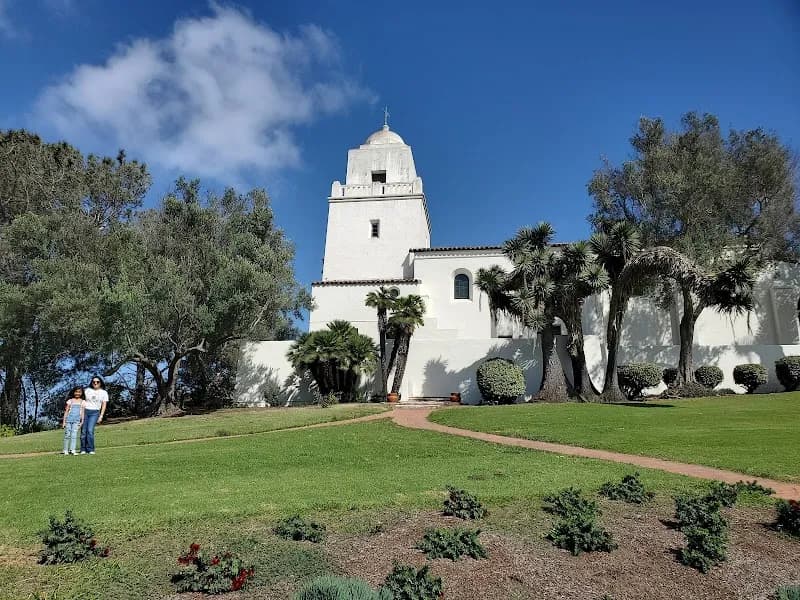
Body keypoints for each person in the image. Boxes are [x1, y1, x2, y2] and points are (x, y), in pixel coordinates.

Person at [81, 375, 108, 455]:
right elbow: (82, 400)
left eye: (97, 382)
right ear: (91, 382)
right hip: (85, 411)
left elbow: (104, 404)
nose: (95, 383)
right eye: (94, 382)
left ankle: (91, 449)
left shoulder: (104, 392)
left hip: (95, 412)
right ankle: (83, 449)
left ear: (100, 383)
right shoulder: (87, 390)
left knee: (90, 430)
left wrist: (101, 415)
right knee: (83, 432)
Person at [61, 387, 84, 455]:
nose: (77, 393)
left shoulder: (82, 402)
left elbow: (82, 413)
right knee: (67, 435)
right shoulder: (70, 401)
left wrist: (82, 422)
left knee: (74, 435)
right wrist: (64, 422)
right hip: (68, 420)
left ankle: (72, 450)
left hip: (76, 421)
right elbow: (66, 412)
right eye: (76, 392)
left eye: (79, 392)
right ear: (73, 392)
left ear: (81, 393)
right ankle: (65, 450)